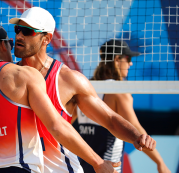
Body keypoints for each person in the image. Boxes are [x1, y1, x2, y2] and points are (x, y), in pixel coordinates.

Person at [0, 23, 125, 173]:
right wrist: (98, 162)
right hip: (19, 169)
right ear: (3, 45)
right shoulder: (23, 75)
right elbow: (56, 126)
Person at [9, 7, 156, 173]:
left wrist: (136, 136)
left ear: (46, 39)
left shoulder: (67, 79)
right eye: (18, 29)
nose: (19, 36)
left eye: (28, 31)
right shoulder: (8, 77)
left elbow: (109, 119)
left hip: (60, 169)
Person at [73, 39, 170, 173]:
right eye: (128, 58)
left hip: (82, 166)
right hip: (108, 167)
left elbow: (66, 123)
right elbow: (136, 130)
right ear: (117, 59)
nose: (130, 63)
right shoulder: (118, 92)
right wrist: (160, 163)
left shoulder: (84, 87)